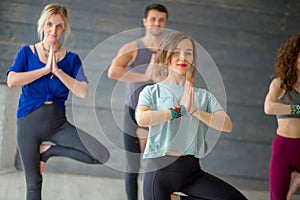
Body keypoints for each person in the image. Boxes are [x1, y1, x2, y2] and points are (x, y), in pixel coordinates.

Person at [6, 3, 109, 200]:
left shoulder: (72, 60)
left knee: (100, 155)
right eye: (50, 24)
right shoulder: (27, 53)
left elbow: (83, 91)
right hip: (28, 124)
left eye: (59, 26)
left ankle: (48, 152)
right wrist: (45, 71)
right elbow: (12, 80)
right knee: (34, 183)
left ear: (65, 29)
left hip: (58, 125)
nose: (54, 30)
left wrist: (58, 72)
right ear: (43, 25)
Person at [135, 32, 247, 200]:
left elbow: (227, 125)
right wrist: (178, 111)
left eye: (188, 53)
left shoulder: (203, 96)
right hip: (159, 174)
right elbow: (142, 118)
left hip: (192, 172)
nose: (183, 57)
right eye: (177, 52)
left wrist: (195, 111)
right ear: (166, 56)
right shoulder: (152, 91)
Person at [107, 4, 168, 200]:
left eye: (161, 20)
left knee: (159, 165)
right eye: (153, 19)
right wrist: (144, 76)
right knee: (133, 166)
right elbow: (113, 71)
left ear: (165, 23)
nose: (156, 23)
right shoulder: (132, 48)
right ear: (145, 22)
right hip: (132, 113)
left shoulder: (169, 51)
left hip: (158, 115)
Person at [264, 34, 300, 200]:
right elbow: (269, 107)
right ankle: (294, 184)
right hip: (284, 147)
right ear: (293, 57)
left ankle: (295, 182)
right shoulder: (280, 83)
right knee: (277, 198)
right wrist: (297, 108)